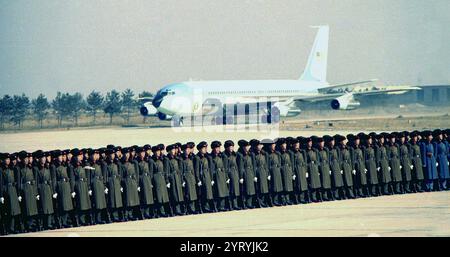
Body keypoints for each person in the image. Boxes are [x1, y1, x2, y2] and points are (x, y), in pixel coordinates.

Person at [50, 150, 75, 228]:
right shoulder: (54, 166)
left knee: (67, 205)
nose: (61, 158)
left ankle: (66, 220)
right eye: (60, 156)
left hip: (66, 186)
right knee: (63, 205)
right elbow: (54, 179)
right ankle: (62, 222)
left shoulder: (64, 165)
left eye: (62, 156)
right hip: (61, 186)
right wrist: (54, 190)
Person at [70, 149, 93, 226]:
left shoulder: (83, 164)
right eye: (79, 156)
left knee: (86, 203)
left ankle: (86, 219)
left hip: (84, 184)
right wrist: (72, 190)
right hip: (78, 185)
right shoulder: (72, 166)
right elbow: (72, 179)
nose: (81, 157)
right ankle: (80, 220)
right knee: (80, 203)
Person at [17, 151, 39, 232]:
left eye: (27, 158)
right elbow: (19, 181)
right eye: (25, 159)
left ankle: (32, 223)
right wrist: (19, 193)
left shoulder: (30, 167)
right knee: (27, 208)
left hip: (31, 189)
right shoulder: (20, 169)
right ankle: (28, 225)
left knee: (33, 208)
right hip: (25, 190)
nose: (26, 160)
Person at [1, 153, 23, 234]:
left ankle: (12, 228)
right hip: (6, 191)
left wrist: (18, 193)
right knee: (8, 211)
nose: (8, 161)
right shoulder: (1, 169)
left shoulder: (12, 169)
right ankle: (7, 229)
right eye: (6, 159)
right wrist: (1, 195)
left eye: (8, 159)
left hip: (13, 190)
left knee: (14, 211)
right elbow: (1, 182)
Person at [34, 151, 55, 230]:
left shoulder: (47, 167)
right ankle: (43, 224)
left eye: (44, 158)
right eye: (42, 158)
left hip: (48, 188)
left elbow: (50, 179)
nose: (43, 159)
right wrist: (37, 193)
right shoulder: (37, 169)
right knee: (43, 207)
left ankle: (49, 223)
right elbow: (36, 181)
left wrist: (52, 191)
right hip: (42, 188)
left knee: (49, 207)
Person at [87, 149, 109, 224]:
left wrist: (104, 186)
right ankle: (95, 219)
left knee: (101, 203)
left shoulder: (99, 163)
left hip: (100, 184)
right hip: (94, 185)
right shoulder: (89, 165)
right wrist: (89, 187)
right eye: (94, 155)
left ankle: (99, 218)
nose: (96, 156)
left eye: (97, 155)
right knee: (96, 202)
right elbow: (88, 177)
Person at [194, 141, 216, 212]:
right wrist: (198, 180)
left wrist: (211, 178)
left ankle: (209, 207)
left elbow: (210, 168)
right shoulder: (197, 158)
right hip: (202, 176)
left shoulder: (207, 156)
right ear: (200, 149)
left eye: (206, 148)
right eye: (204, 148)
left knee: (209, 193)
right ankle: (205, 208)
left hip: (208, 176)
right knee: (204, 193)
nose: (205, 149)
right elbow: (197, 170)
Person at [120, 147, 141, 220]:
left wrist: (137, 183)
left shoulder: (133, 162)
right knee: (127, 199)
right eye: (125, 153)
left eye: (128, 153)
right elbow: (121, 175)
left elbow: (136, 173)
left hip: (133, 181)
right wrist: (122, 183)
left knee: (134, 199)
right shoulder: (121, 163)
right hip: (127, 182)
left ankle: (132, 214)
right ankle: (126, 215)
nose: (127, 155)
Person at [210, 141, 231, 211]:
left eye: (219, 148)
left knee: (224, 191)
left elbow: (225, 167)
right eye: (216, 148)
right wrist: (212, 178)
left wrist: (227, 177)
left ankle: (223, 206)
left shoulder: (222, 156)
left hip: (222, 175)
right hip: (216, 175)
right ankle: (218, 207)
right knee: (218, 191)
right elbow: (211, 168)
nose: (218, 149)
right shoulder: (211, 157)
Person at [250, 139, 271, 207]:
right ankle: (260, 203)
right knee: (259, 188)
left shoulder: (263, 154)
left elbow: (266, 164)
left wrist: (268, 173)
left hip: (264, 172)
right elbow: (254, 165)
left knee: (265, 188)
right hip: (258, 173)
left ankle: (264, 202)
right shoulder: (253, 154)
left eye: (260, 145)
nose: (260, 146)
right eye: (259, 145)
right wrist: (255, 175)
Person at [263, 139, 284, 206]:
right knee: (273, 187)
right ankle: (273, 201)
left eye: (274, 144)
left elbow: (280, 162)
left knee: (278, 186)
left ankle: (278, 200)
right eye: (272, 145)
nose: (274, 146)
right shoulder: (267, 154)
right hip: (272, 172)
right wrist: (268, 173)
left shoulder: (277, 153)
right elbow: (267, 164)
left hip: (277, 171)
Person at [165, 144, 185, 215]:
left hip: (177, 178)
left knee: (179, 194)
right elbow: (167, 171)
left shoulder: (176, 158)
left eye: (174, 150)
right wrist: (167, 180)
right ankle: (175, 210)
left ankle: (179, 209)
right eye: (172, 150)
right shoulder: (167, 159)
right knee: (174, 195)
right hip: (172, 179)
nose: (173, 151)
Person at [236, 140, 257, 209]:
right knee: (245, 189)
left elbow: (253, 165)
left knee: (251, 189)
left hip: (250, 173)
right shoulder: (240, 155)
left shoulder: (250, 154)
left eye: (248, 146)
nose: (248, 148)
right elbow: (240, 166)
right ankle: (244, 204)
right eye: (246, 146)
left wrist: (254, 175)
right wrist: (241, 177)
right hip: (245, 173)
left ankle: (249, 203)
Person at [136, 146, 155, 219]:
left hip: (147, 180)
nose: (142, 154)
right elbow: (137, 173)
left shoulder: (147, 160)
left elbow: (150, 172)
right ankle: (143, 213)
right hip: (142, 180)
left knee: (149, 197)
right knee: (144, 197)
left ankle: (148, 212)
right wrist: (138, 183)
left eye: (143, 153)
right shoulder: (137, 162)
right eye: (141, 153)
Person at [222, 140, 242, 210]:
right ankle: (230, 205)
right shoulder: (224, 155)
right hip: (230, 173)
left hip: (235, 173)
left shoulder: (235, 154)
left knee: (236, 189)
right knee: (231, 190)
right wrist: (227, 176)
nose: (231, 148)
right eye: (230, 147)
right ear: (226, 147)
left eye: (232, 147)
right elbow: (225, 167)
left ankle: (235, 205)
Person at [180, 142, 199, 214]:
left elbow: (193, 169)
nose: (187, 151)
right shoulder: (181, 159)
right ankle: (188, 209)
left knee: (193, 194)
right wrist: (182, 180)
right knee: (188, 194)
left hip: (191, 177)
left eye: (188, 149)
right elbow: (181, 171)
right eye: (186, 149)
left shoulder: (191, 158)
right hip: (186, 178)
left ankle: (193, 208)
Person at [290, 137, 309, 204]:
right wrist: (293, 173)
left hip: (302, 169)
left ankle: (302, 198)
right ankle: (297, 199)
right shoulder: (292, 153)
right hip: (297, 170)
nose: (297, 146)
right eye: (296, 144)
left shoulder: (301, 152)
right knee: (298, 185)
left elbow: (305, 162)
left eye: (298, 144)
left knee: (303, 185)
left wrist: (306, 171)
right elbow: (292, 163)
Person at [304, 137, 322, 202]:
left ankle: (317, 197)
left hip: (314, 167)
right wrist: (306, 171)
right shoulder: (305, 151)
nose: (310, 143)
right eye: (309, 142)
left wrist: (317, 169)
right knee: (311, 183)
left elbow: (317, 160)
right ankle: (312, 198)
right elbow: (305, 162)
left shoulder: (314, 150)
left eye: (311, 142)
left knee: (317, 183)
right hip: (310, 168)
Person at [315, 137, 333, 201]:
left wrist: (329, 168)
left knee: (327, 182)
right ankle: (322, 196)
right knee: (322, 182)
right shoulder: (317, 151)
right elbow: (317, 160)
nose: (322, 144)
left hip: (326, 167)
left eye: (323, 142)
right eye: (321, 142)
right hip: (321, 167)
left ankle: (327, 196)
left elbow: (328, 159)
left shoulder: (325, 150)